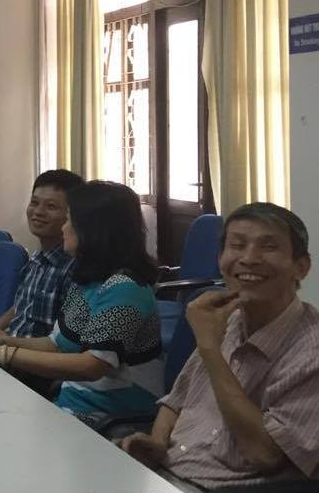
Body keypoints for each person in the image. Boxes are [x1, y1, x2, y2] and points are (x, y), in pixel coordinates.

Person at [117, 202, 318, 492]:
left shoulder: (310, 351)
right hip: (165, 472)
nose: (249, 258)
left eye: (268, 247)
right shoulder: (231, 318)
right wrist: (157, 443)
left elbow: (264, 454)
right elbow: (177, 400)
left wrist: (210, 347)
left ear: (301, 267)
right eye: (237, 245)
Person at [0, 181, 162, 429]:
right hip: (73, 403)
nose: (64, 228)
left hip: (109, 419)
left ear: (92, 230)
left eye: (69, 220)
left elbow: (92, 366)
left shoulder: (125, 287)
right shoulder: (90, 280)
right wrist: (1, 342)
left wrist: (5, 354)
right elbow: (57, 344)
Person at [0, 169, 85, 338]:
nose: (38, 212)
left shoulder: (75, 270)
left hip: (29, 352)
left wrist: (5, 345)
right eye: (34, 203)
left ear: (73, 215)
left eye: (51, 206)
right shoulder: (36, 259)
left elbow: (62, 344)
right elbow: (19, 306)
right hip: (7, 346)